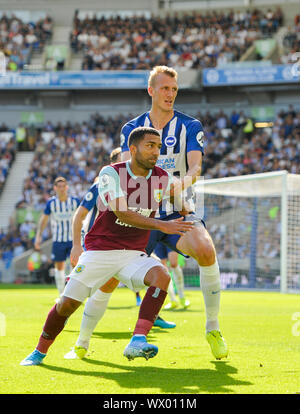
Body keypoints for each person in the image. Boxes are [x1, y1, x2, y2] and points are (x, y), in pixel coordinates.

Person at [20, 126, 194, 366]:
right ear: (133, 149)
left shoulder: (162, 177)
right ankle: (39, 351)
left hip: (133, 254)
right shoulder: (110, 173)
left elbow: (180, 203)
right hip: (100, 251)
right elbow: (121, 211)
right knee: (67, 304)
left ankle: (137, 340)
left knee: (161, 275)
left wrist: (186, 208)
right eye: (150, 146)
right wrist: (162, 225)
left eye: (159, 146)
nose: (156, 151)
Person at [120, 66, 228, 360]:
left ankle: (212, 327)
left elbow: (195, 168)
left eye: (174, 89)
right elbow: (126, 168)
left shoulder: (190, 126)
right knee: (108, 278)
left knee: (206, 250)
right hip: (142, 213)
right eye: (165, 88)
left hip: (178, 211)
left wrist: (181, 182)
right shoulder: (132, 128)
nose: (170, 94)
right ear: (151, 90)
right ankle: (82, 339)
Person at [65, 146, 176, 360]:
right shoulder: (103, 182)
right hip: (101, 247)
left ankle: (147, 323)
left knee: (157, 274)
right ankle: (81, 342)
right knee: (98, 293)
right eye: (122, 158)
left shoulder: (147, 180)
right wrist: (76, 245)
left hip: (129, 247)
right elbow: (80, 215)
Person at [34, 177, 80, 297]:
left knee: (74, 266)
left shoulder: (75, 201)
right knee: (59, 267)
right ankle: (61, 295)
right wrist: (38, 236)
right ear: (55, 188)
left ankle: (71, 294)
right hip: (58, 240)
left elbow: (82, 217)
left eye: (63, 186)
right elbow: (43, 220)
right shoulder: (51, 203)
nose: (61, 189)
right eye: (59, 186)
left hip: (73, 240)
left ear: (67, 187)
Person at [154, 242, 190, 309]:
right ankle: (172, 299)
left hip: (170, 234)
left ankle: (182, 297)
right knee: (162, 267)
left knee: (173, 263)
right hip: (158, 236)